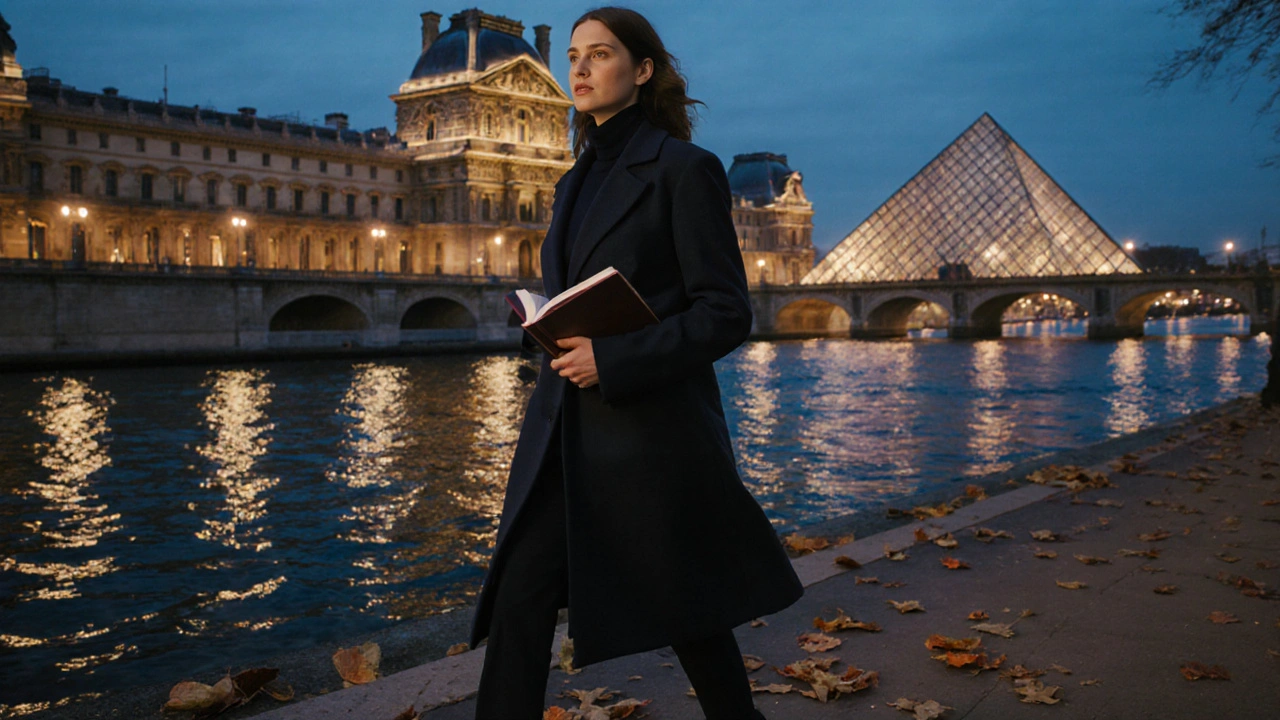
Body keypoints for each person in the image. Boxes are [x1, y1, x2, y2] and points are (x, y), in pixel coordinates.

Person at [467, 7, 804, 719]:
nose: (581, 69)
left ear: (642, 70)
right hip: (564, 427)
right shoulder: (571, 181)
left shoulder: (685, 170)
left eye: (601, 55)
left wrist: (614, 358)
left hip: (649, 432)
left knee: (690, 612)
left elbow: (725, 311)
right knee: (520, 597)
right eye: (576, 57)